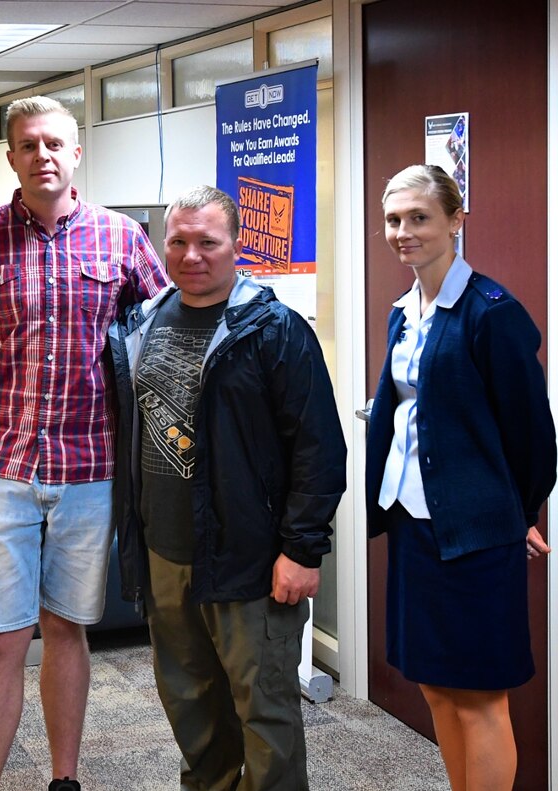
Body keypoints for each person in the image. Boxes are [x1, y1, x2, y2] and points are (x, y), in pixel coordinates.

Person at [0, 95, 169, 791]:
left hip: (89, 469)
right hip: (1, 469)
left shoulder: (122, 238)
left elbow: (169, 333)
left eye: (54, 144)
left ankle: (64, 779)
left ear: (75, 154)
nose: (42, 155)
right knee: (3, 640)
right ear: (11, 157)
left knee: (68, 628)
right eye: (28, 145)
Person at [109, 185, 347, 790]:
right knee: (192, 713)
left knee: (265, 720)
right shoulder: (142, 324)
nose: (191, 255)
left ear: (238, 246)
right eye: (178, 242)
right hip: (166, 557)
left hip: (250, 562)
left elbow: (318, 448)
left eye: (207, 242)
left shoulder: (274, 330)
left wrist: (302, 550)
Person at [366, 164, 555, 791]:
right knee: (436, 686)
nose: (403, 232)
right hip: (414, 524)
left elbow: (532, 433)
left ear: (455, 220)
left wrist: (520, 513)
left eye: (419, 218)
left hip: (474, 534)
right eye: (394, 220)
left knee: (479, 697)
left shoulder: (491, 313)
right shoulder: (404, 311)